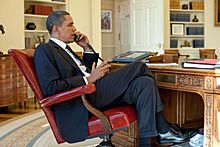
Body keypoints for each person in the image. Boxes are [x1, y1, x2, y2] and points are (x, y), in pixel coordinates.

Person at [34, 11, 197, 147]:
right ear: (56, 28)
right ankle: (164, 129)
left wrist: (86, 48)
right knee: (139, 67)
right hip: (82, 99)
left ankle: (146, 142)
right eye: (70, 24)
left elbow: (81, 70)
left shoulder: (66, 49)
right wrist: (89, 80)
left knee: (144, 83)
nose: (75, 28)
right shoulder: (45, 49)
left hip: (93, 90)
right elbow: (51, 88)